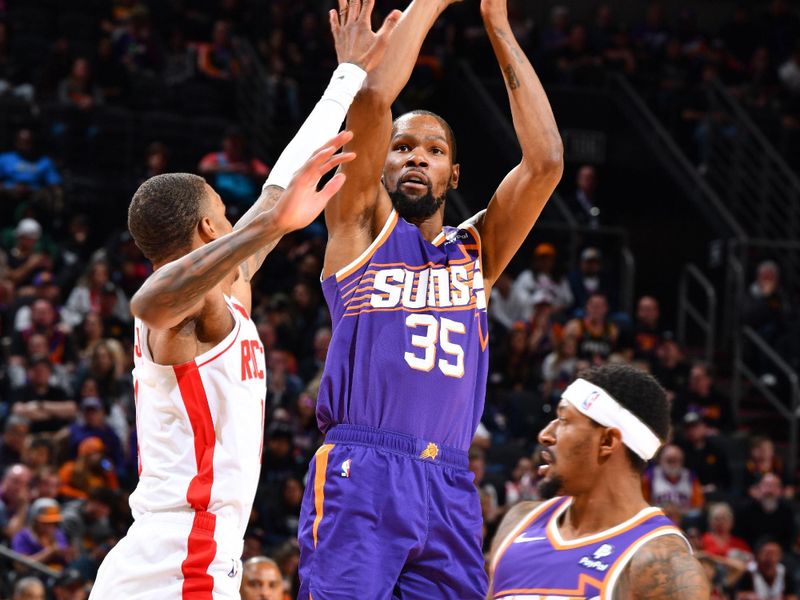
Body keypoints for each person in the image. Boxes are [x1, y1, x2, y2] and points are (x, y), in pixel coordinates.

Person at [89, 8, 400, 598]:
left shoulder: (224, 288)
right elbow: (147, 303)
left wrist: (347, 75)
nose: (240, 219)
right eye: (226, 214)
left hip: (182, 548)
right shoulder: (186, 313)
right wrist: (261, 230)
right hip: (186, 552)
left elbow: (277, 191)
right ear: (210, 228)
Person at [300, 0, 563, 596]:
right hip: (362, 465)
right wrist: (430, 4)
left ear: (454, 174)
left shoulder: (477, 254)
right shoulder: (360, 230)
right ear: (383, 166)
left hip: (447, 479)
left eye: (434, 150)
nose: (416, 155)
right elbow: (371, 103)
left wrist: (497, 25)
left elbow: (545, 162)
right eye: (402, 147)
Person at [488, 364, 709, 598]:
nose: (545, 434)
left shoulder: (661, 564)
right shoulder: (519, 523)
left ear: (607, 441)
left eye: (563, 420)